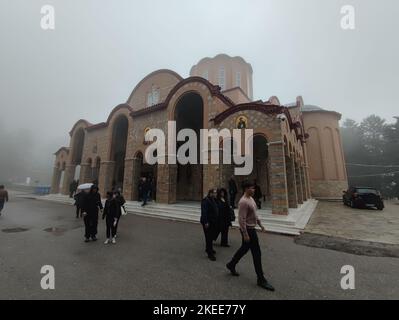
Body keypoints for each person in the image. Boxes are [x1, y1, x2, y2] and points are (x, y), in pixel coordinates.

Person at [226, 181, 275, 291]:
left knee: (244, 249)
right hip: (248, 230)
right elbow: (241, 219)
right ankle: (261, 279)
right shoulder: (243, 202)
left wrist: (260, 225)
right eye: (251, 188)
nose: (254, 190)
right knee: (256, 253)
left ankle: (231, 264)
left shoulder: (251, 199)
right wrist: (245, 234)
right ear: (246, 189)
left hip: (252, 229)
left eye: (253, 188)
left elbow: (254, 214)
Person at [200, 189, 219, 261]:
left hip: (213, 221)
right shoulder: (205, 201)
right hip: (208, 222)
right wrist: (206, 222)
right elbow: (204, 212)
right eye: (214, 193)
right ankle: (210, 254)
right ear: (211, 193)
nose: (216, 194)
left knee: (210, 237)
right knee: (208, 237)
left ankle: (209, 248)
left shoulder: (213, 200)